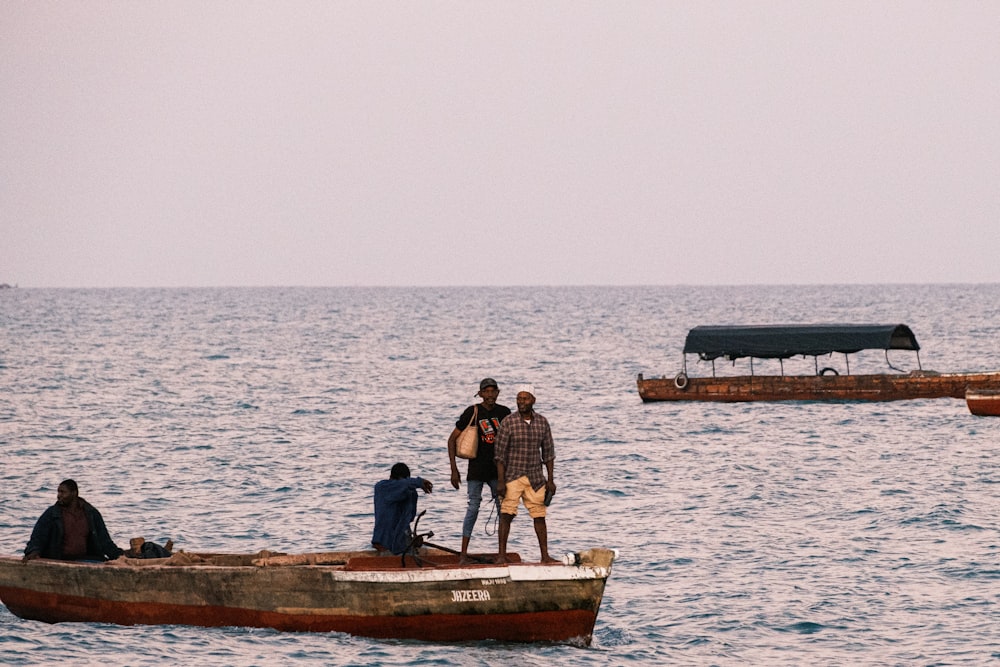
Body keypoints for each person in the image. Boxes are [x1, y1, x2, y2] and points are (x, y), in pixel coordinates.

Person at [447, 377, 511, 563]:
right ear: (481, 393)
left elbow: (512, 442)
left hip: (498, 472)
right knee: (473, 508)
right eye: (486, 391)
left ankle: (501, 555)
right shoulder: (472, 411)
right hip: (476, 469)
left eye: (493, 391)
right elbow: (452, 440)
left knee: (503, 510)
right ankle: (463, 555)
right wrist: (454, 470)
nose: (490, 395)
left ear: (498, 392)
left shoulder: (504, 412)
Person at [494, 384, 557, 564]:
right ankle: (501, 555)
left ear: (533, 400)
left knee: (539, 515)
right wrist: (500, 481)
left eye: (525, 398)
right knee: (506, 514)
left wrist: (550, 480)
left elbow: (548, 453)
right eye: (519, 399)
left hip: (535, 477)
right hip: (513, 476)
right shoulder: (508, 422)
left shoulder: (542, 422)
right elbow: (499, 455)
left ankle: (545, 556)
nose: (521, 402)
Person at [23, 479, 124, 562]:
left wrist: (120, 556)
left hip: (87, 559)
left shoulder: (91, 513)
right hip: (59, 559)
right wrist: (34, 551)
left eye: (63, 492)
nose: (59, 495)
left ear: (74, 493)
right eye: (58, 492)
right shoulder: (52, 514)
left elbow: (104, 540)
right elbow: (38, 537)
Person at [371, 462, 433, 555]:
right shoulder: (382, 487)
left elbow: (408, 521)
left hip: (399, 545)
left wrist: (413, 541)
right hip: (384, 545)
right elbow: (402, 484)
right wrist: (420, 482)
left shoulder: (409, 492)